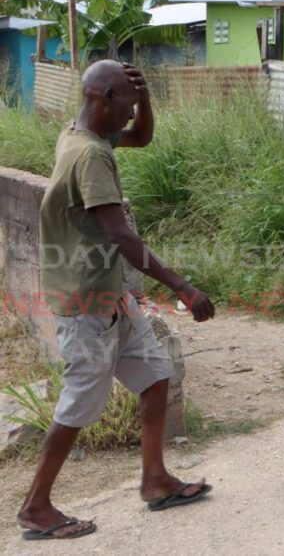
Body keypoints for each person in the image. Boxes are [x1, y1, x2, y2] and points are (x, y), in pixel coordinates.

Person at [16, 60, 216, 541]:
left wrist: (146, 98)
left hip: (111, 296)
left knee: (154, 375)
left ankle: (154, 479)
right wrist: (183, 288)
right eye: (126, 101)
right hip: (86, 301)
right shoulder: (90, 155)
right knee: (80, 402)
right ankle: (35, 507)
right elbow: (121, 235)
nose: (131, 113)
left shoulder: (83, 134)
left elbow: (142, 139)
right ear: (102, 96)